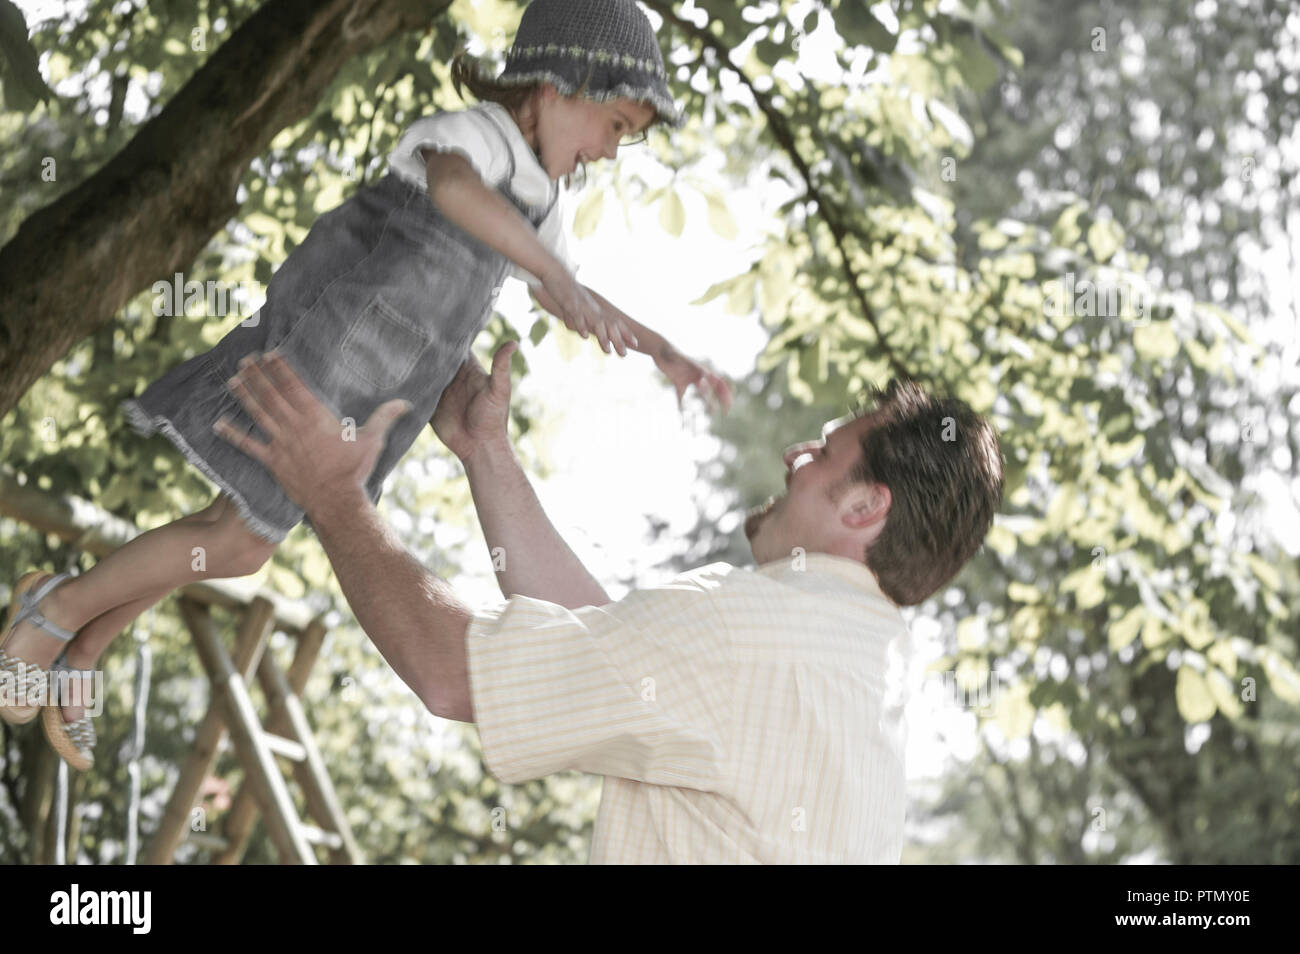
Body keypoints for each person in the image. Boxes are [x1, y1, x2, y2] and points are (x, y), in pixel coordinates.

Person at [0, 0, 731, 771]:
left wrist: (661, 349)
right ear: (555, 86)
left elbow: (565, 293)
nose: (613, 151)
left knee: (232, 526)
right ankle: (55, 613)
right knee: (241, 543)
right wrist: (549, 269)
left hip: (375, 390)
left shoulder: (542, 199)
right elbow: (453, 195)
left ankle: (84, 642)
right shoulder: (475, 138)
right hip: (324, 349)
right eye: (614, 124)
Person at [202, 343, 1004, 863]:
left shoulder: (747, 632)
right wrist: (487, 454)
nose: (796, 455)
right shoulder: (866, 668)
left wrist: (334, 494)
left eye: (824, 452)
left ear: (865, 507)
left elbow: (453, 674)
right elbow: (617, 656)